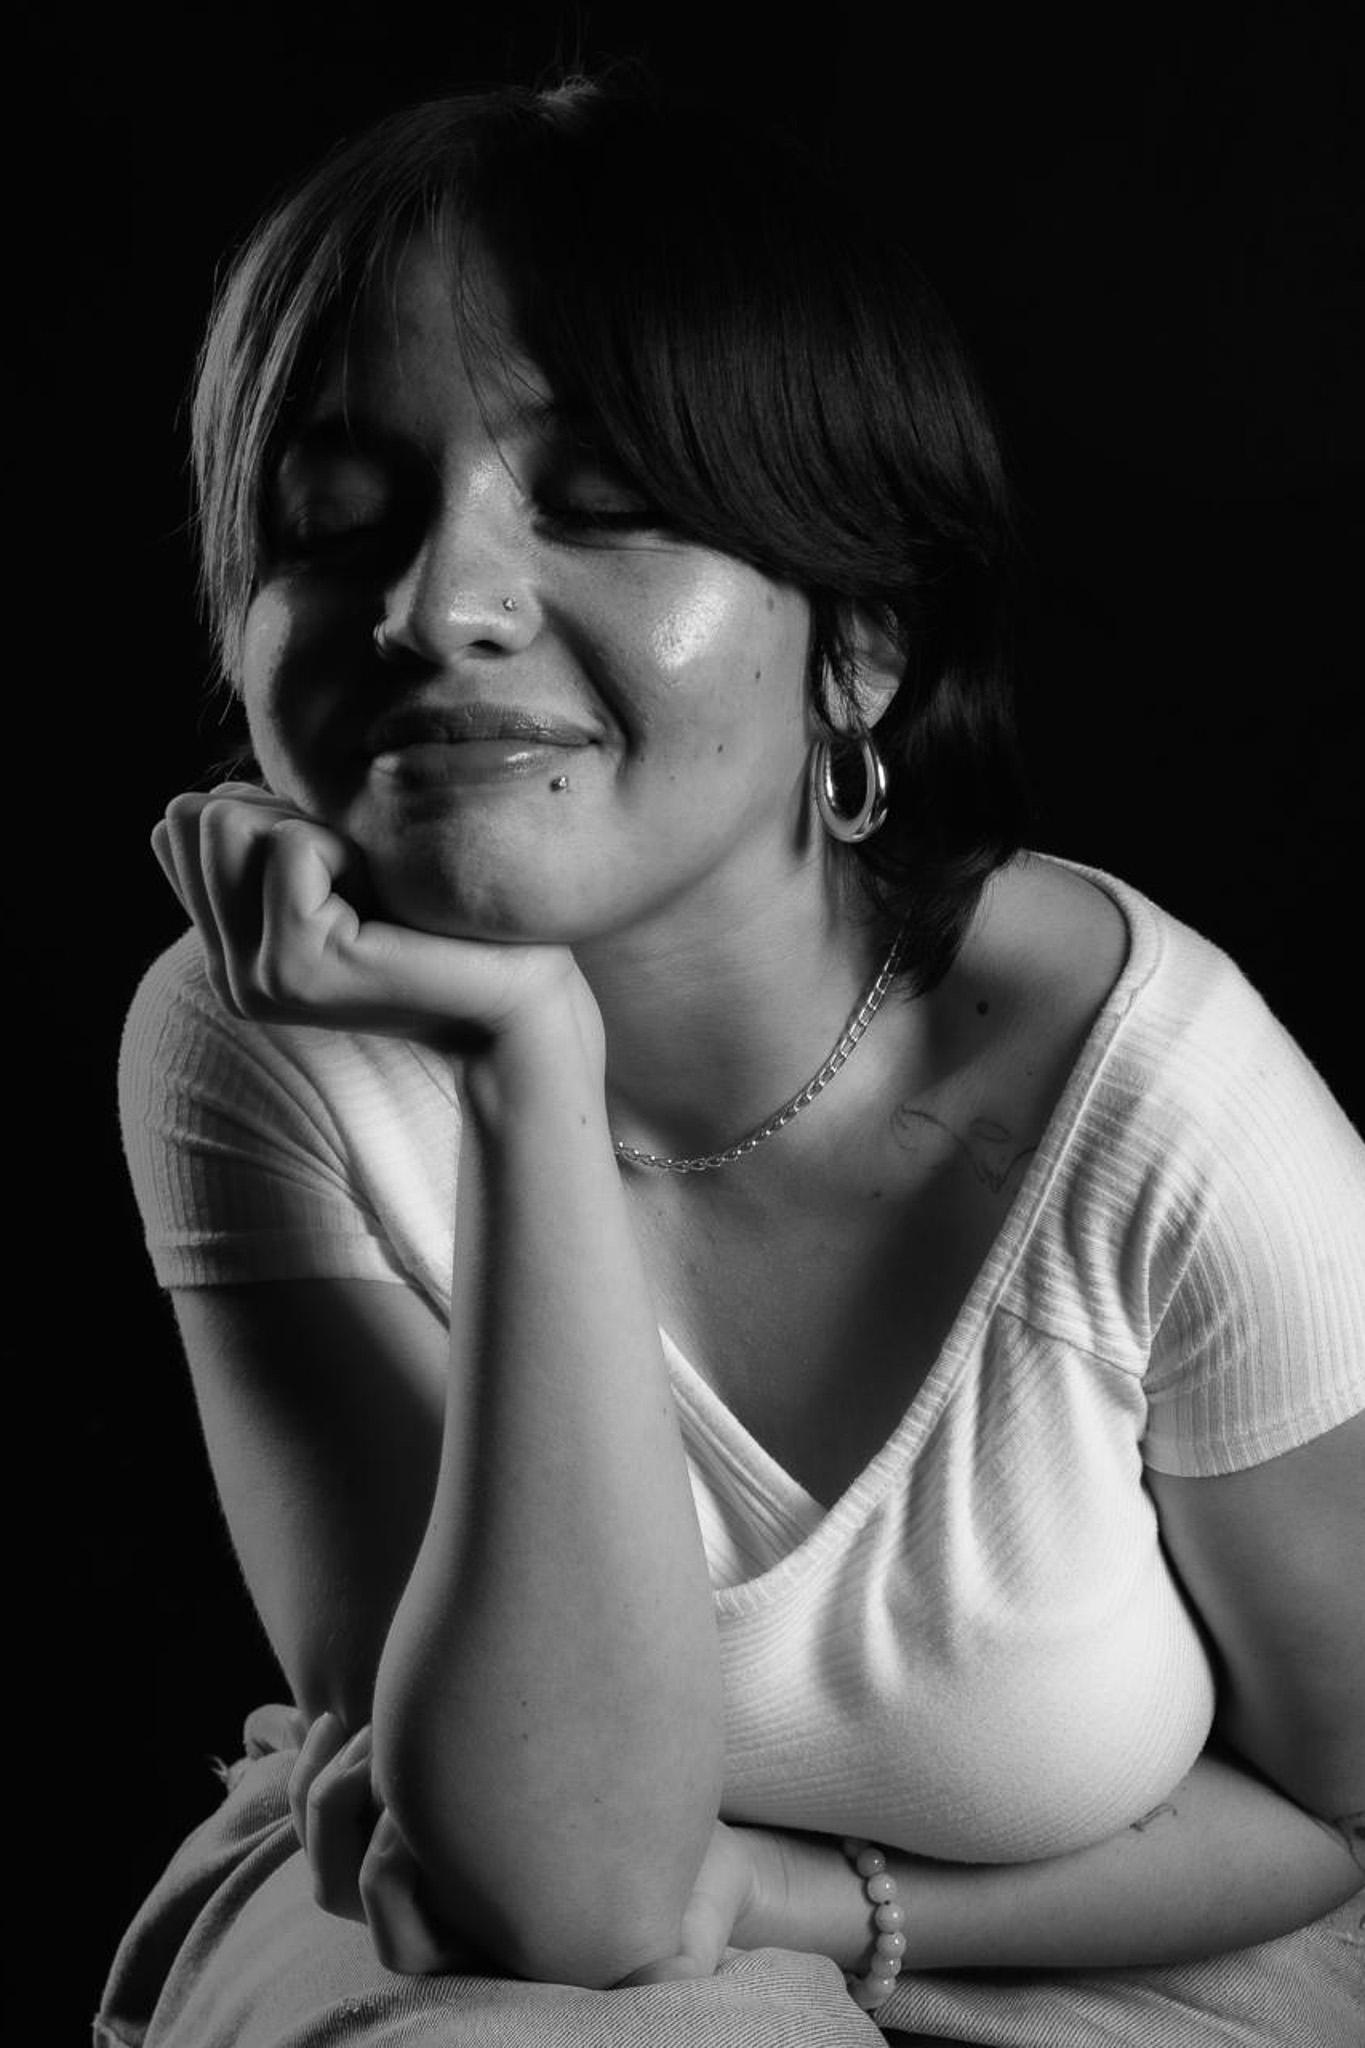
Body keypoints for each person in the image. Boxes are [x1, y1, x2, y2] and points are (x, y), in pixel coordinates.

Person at [98, 72, 1365, 2048]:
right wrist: (525, 1059)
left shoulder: (1163, 1103)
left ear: (856, 651)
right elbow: (547, 1888)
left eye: (602, 502)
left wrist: (800, 1897)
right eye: (334, 522)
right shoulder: (248, 1038)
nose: (435, 606)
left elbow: (1339, 1803)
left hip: (1138, 1932)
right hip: (469, 1936)